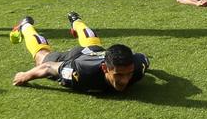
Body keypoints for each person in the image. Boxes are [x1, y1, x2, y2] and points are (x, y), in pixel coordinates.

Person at [9, 12, 148, 93]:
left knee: (94, 44)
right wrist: (26, 75)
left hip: (97, 53)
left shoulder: (138, 67)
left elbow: (143, 58)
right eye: (119, 75)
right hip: (76, 57)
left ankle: (76, 21)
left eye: (128, 74)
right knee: (41, 57)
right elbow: (48, 67)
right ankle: (25, 26)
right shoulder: (80, 72)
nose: (124, 80)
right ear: (105, 68)